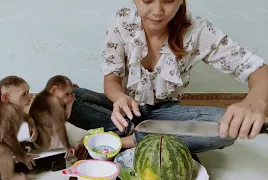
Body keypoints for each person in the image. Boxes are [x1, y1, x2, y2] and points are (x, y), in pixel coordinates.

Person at [68, 0, 268, 153]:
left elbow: (259, 70)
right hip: (126, 111)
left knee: (224, 128)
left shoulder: (197, 31)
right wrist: (120, 98)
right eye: (147, 0)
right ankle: (154, 136)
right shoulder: (121, 21)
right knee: (71, 98)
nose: (157, 11)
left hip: (166, 115)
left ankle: (126, 141)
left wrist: (255, 100)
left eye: (168, 0)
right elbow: (111, 80)